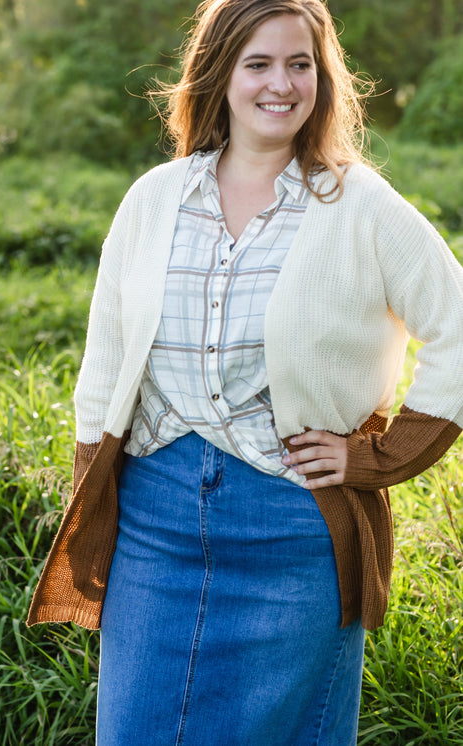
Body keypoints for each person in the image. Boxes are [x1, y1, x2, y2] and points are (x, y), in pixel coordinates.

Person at [27, 0, 463, 743]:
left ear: (323, 79)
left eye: (300, 64)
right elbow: (103, 364)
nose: (280, 84)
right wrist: (92, 491)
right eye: (257, 63)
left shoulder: (359, 205)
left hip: (291, 526)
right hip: (153, 524)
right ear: (218, 73)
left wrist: (377, 456)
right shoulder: (153, 199)